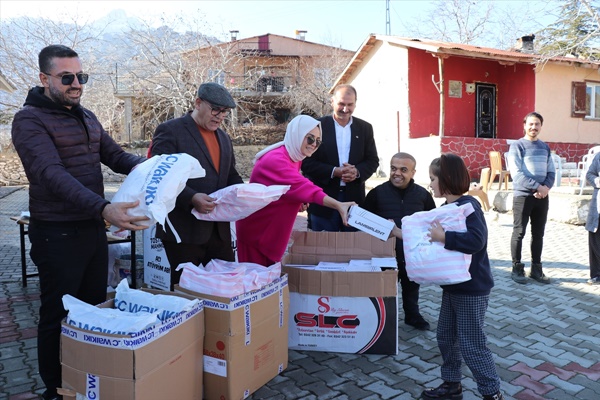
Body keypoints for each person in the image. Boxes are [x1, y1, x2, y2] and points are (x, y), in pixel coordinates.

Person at [11, 45, 149, 400]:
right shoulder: (29, 120)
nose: (76, 84)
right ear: (44, 79)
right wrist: (104, 208)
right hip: (56, 234)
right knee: (58, 314)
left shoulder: (86, 116)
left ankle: (87, 376)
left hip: (90, 230)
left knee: (90, 310)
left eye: (81, 77)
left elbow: (115, 156)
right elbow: (50, 174)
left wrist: (151, 165)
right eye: (67, 77)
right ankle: (55, 388)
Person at [420, 153, 503, 400]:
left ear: (445, 180)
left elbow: (477, 241)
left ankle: (492, 393)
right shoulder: (447, 208)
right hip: (453, 287)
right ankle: (452, 385)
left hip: (472, 289)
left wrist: (445, 237)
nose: (430, 184)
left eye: (433, 179)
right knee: (445, 336)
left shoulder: (469, 207)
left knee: (471, 344)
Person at [150, 82, 243, 290]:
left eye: (225, 112)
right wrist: (191, 198)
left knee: (224, 290)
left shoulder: (224, 138)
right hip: (183, 231)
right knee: (186, 294)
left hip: (219, 233)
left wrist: (245, 193)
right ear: (198, 103)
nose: (220, 116)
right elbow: (159, 178)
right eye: (215, 109)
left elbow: (230, 175)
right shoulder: (170, 131)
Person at [236, 115, 355, 266]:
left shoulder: (294, 156)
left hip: (268, 231)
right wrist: (339, 205)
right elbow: (304, 187)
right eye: (310, 138)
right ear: (297, 134)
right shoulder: (276, 159)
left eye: (318, 141)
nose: (313, 145)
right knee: (255, 284)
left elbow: (285, 189)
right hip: (257, 234)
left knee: (265, 282)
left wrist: (297, 201)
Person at [362, 152, 435, 331]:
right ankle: (381, 318)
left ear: (413, 172)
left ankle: (412, 316)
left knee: (411, 288)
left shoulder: (423, 195)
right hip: (383, 255)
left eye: (404, 170)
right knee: (384, 290)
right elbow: (363, 223)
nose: (397, 173)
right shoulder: (376, 193)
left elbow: (432, 223)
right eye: (393, 168)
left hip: (412, 254)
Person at [301, 84, 379, 231]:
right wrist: (333, 171)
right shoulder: (317, 127)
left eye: (350, 104)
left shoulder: (365, 128)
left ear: (356, 103)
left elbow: (372, 160)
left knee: (352, 250)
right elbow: (306, 162)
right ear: (332, 102)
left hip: (354, 201)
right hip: (323, 201)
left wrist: (357, 172)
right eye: (341, 104)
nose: (345, 109)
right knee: (323, 249)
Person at [506, 112, 555, 285]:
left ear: (541, 126)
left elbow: (551, 171)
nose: (534, 127)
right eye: (531, 124)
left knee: (538, 234)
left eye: (537, 124)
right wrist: (537, 187)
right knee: (519, 232)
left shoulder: (545, 147)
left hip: (542, 197)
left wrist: (545, 188)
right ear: (524, 125)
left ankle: (536, 269)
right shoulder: (517, 146)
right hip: (523, 196)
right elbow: (517, 174)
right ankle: (516, 268)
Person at [585, 152, 600, 285]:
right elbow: (589, 174)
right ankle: (596, 275)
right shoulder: (599, 156)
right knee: (595, 239)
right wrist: (597, 181)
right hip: (598, 208)